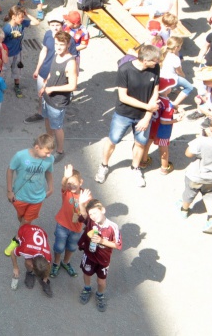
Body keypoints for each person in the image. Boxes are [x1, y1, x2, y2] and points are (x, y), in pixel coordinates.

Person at [95, 45, 161, 187]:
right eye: (154, 61)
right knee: (113, 140)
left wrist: (147, 117)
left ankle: (135, 168)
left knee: (140, 143)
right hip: (123, 114)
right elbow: (123, 97)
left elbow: (155, 93)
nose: (157, 63)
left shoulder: (155, 68)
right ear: (144, 60)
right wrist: (147, 107)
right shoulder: (125, 70)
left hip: (143, 116)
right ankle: (104, 166)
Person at [76, 189, 122, 313]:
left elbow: (117, 245)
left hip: (103, 260)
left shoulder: (113, 227)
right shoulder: (91, 221)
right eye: (91, 214)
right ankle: (87, 289)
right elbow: (84, 215)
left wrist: (101, 241)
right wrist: (81, 203)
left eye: (95, 213)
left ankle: (100, 295)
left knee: (101, 282)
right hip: (89, 255)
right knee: (87, 273)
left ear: (103, 210)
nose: (93, 216)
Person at [39, 31, 78, 158]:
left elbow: (73, 86)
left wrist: (53, 89)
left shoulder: (70, 62)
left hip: (58, 102)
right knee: (47, 119)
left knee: (57, 127)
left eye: (62, 44)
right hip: (47, 96)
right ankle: (49, 142)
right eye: (56, 44)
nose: (58, 47)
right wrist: (44, 86)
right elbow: (51, 73)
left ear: (68, 44)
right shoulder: (56, 54)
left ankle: (60, 151)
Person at [6, 134, 55, 225]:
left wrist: (51, 188)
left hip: (37, 197)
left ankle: (20, 237)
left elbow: (48, 172)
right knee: (21, 217)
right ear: (37, 147)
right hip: (19, 196)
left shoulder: (50, 159)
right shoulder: (20, 156)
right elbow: (10, 170)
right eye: (46, 152)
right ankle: (23, 230)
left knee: (27, 221)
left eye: (50, 153)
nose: (49, 155)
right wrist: (9, 191)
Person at [49, 164, 84, 279]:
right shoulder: (67, 192)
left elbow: (86, 214)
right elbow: (63, 184)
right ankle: (56, 263)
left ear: (81, 182)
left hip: (76, 228)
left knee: (72, 247)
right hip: (62, 225)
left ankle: (66, 262)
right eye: (69, 183)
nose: (71, 185)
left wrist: (83, 203)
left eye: (74, 183)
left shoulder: (85, 196)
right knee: (59, 247)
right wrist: (65, 177)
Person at [8, 223, 53, 297]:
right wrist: (15, 268)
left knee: (44, 268)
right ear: (33, 265)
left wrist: (45, 277)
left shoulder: (47, 256)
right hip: (24, 230)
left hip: (42, 232)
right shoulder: (25, 250)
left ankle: (45, 281)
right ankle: (30, 273)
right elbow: (12, 253)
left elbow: (48, 266)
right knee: (27, 262)